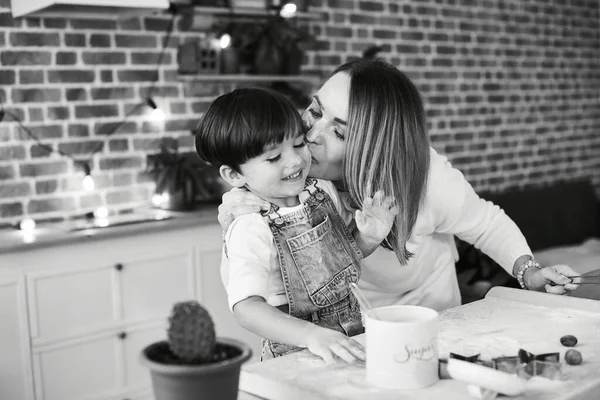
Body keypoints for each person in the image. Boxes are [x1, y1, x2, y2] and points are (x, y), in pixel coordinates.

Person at [217, 59, 581, 318]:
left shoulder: (428, 178)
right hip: (347, 316)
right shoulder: (293, 174)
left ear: (375, 146)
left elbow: (487, 224)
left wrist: (528, 272)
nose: (310, 135)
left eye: (339, 131)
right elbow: (257, 276)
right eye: (314, 110)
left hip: (431, 310)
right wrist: (234, 226)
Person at [194, 87, 397, 363]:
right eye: (274, 157)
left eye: (299, 144)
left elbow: (338, 265)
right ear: (234, 174)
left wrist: (369, 237)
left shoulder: (323, 191)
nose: (294, 160)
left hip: (350, 339)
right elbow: (246, 308)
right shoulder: (250, 227)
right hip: (296, 352)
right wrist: (311, 335)